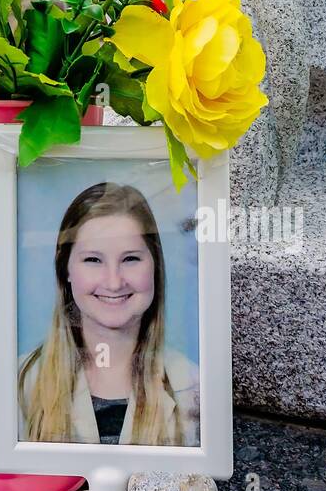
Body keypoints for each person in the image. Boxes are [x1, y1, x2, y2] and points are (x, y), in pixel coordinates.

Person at [18, 182, 199, 445]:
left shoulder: (194, 388)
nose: (114, 282)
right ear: (65, 269)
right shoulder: (21, 380)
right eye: (93, 260)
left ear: (155, 266)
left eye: (130, 259)